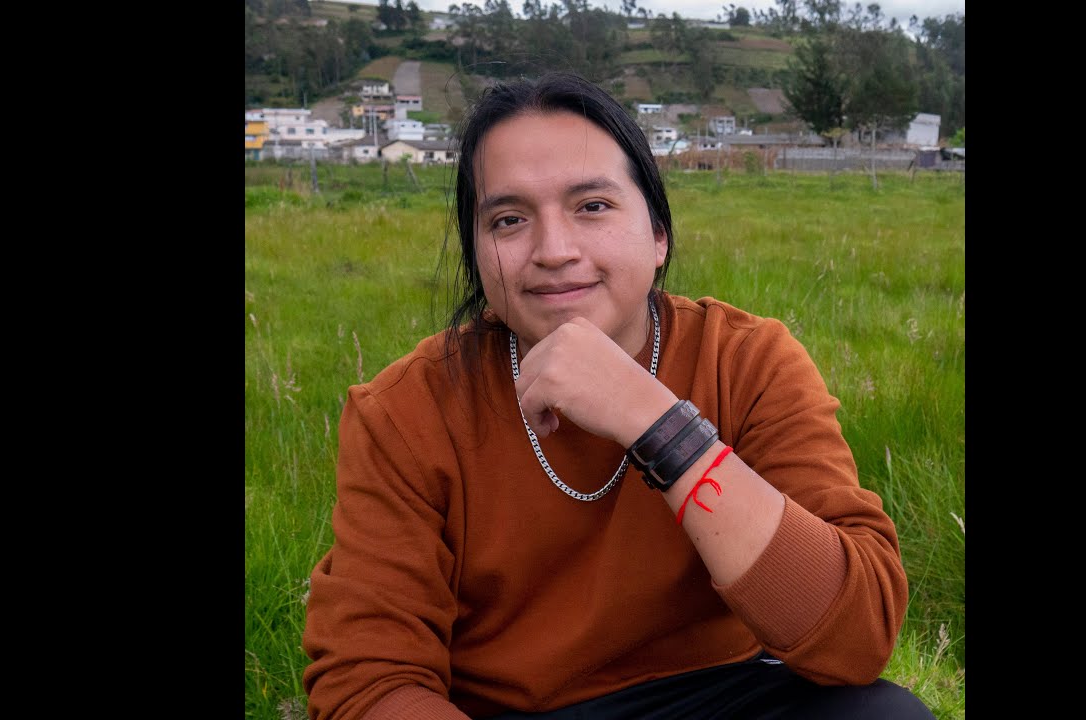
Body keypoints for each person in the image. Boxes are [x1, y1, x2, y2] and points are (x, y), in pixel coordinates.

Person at [302, 71, 934, 720]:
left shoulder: (746, 360)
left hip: (716, 695)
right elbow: (369, 682)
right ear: (478, 255)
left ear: (658, 234)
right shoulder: (406, 411)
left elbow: (856, 637)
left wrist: (655, 420)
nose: (554, 251)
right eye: (509, 220)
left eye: (593, 207)